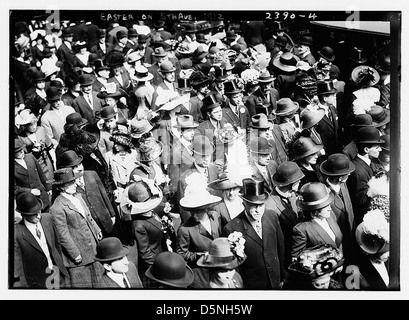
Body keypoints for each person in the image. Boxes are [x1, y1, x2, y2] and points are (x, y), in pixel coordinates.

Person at [223, 178, 285, 289]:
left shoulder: (272, 216)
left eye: (261, 205)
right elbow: (235, 266)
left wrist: (282, 277)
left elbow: (281, 247)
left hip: (276, 281)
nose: (258, 210)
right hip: (253, 285)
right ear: (244, 204)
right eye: (253, 205)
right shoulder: (232, 228)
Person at [50, 167, 103, 288]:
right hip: (79, 253)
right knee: (84, 285)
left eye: (74, 181)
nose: (75, 185)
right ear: (61, 186)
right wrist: (74, 254)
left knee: (99, 281)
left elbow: (88, 216)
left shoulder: (78, 197)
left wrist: (96, 229)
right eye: (70, 183)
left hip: (92, 246)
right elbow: (63, 235)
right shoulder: (57, 208)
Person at [120, 178, 171, 288]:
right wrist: (158, 269)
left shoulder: (151, 213)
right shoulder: (138, 225)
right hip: (153, 266)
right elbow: (145, 253)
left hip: (162, 255)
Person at [13, 191, 70, 288]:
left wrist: (60, 265)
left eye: (39, 211)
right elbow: (18, 266)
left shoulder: (47, 218)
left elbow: (57, 245)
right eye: (33, 214)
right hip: (37, 281)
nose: (38, 216)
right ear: (24, 214)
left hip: (57, 273)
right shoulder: (16, 233)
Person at [57, 150, 117, 238]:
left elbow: (103, 194)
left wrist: (112, 214)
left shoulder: (92, 174)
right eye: (75, 167)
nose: (80, 168)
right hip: (90, 225)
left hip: (104, 218)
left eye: (80, 164)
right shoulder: (67, 187)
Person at [176, 172, 223, 269]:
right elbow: (181, 253)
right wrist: (198, 255)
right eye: (192, 211)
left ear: (206, 208)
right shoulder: (185, 229)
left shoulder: (215, 217)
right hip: (201, 272)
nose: (194, 214)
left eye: (198, 210)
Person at [319, 153, 356, 266]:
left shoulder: (343, 185)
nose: (349, 174)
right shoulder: (323, 194)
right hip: (339, 247)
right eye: (347, 173)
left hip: (351, 240)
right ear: (340, 177)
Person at [291, 182, 343, 260]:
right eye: (325, 207)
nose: (330, 208)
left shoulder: (330, 215)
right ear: (315, 211)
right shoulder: (302, 230)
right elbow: (297, 259)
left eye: (329, 205)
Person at [267, 161, 305, 268]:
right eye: (298, 180)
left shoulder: (292, 194)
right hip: (285, 257)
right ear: (292, 184)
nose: (300, 181)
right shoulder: (270, 206)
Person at [346, 127, 385, 226]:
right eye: (377, 147)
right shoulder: (359, 172)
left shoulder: (370, 163)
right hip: (365, 219)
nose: (380, 149)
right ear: (366, 149)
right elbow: (362, 202)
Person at [16, 108, 55, 183]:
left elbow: (50, 147)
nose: (33, 126)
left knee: (51, 180)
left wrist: (54, 161)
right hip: (34, 164)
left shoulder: (41, 130)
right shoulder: (21, 137)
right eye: (30, 124)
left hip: (46, 161)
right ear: (25, 125)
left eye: (34, 123)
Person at [355, 209, 390, 289]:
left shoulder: (388, 261)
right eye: (385, 252)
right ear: (372, 251)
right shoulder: (359, 271)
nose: (389, 254)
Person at [14, 139, 51, 213]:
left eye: (22, 149)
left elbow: (41, 174)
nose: (22, 152)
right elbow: (15, 188)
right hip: (29, 202)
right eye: (18, 151)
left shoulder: (30, 157)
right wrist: (30, 191)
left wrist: (48, 188)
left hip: (43, 196)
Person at [315, 80, 341, 155]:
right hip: (324, 153)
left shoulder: (333, 108)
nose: (335, 97)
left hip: (336, 150)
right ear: (325, 99)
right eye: (332, 95)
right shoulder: (315, 113)